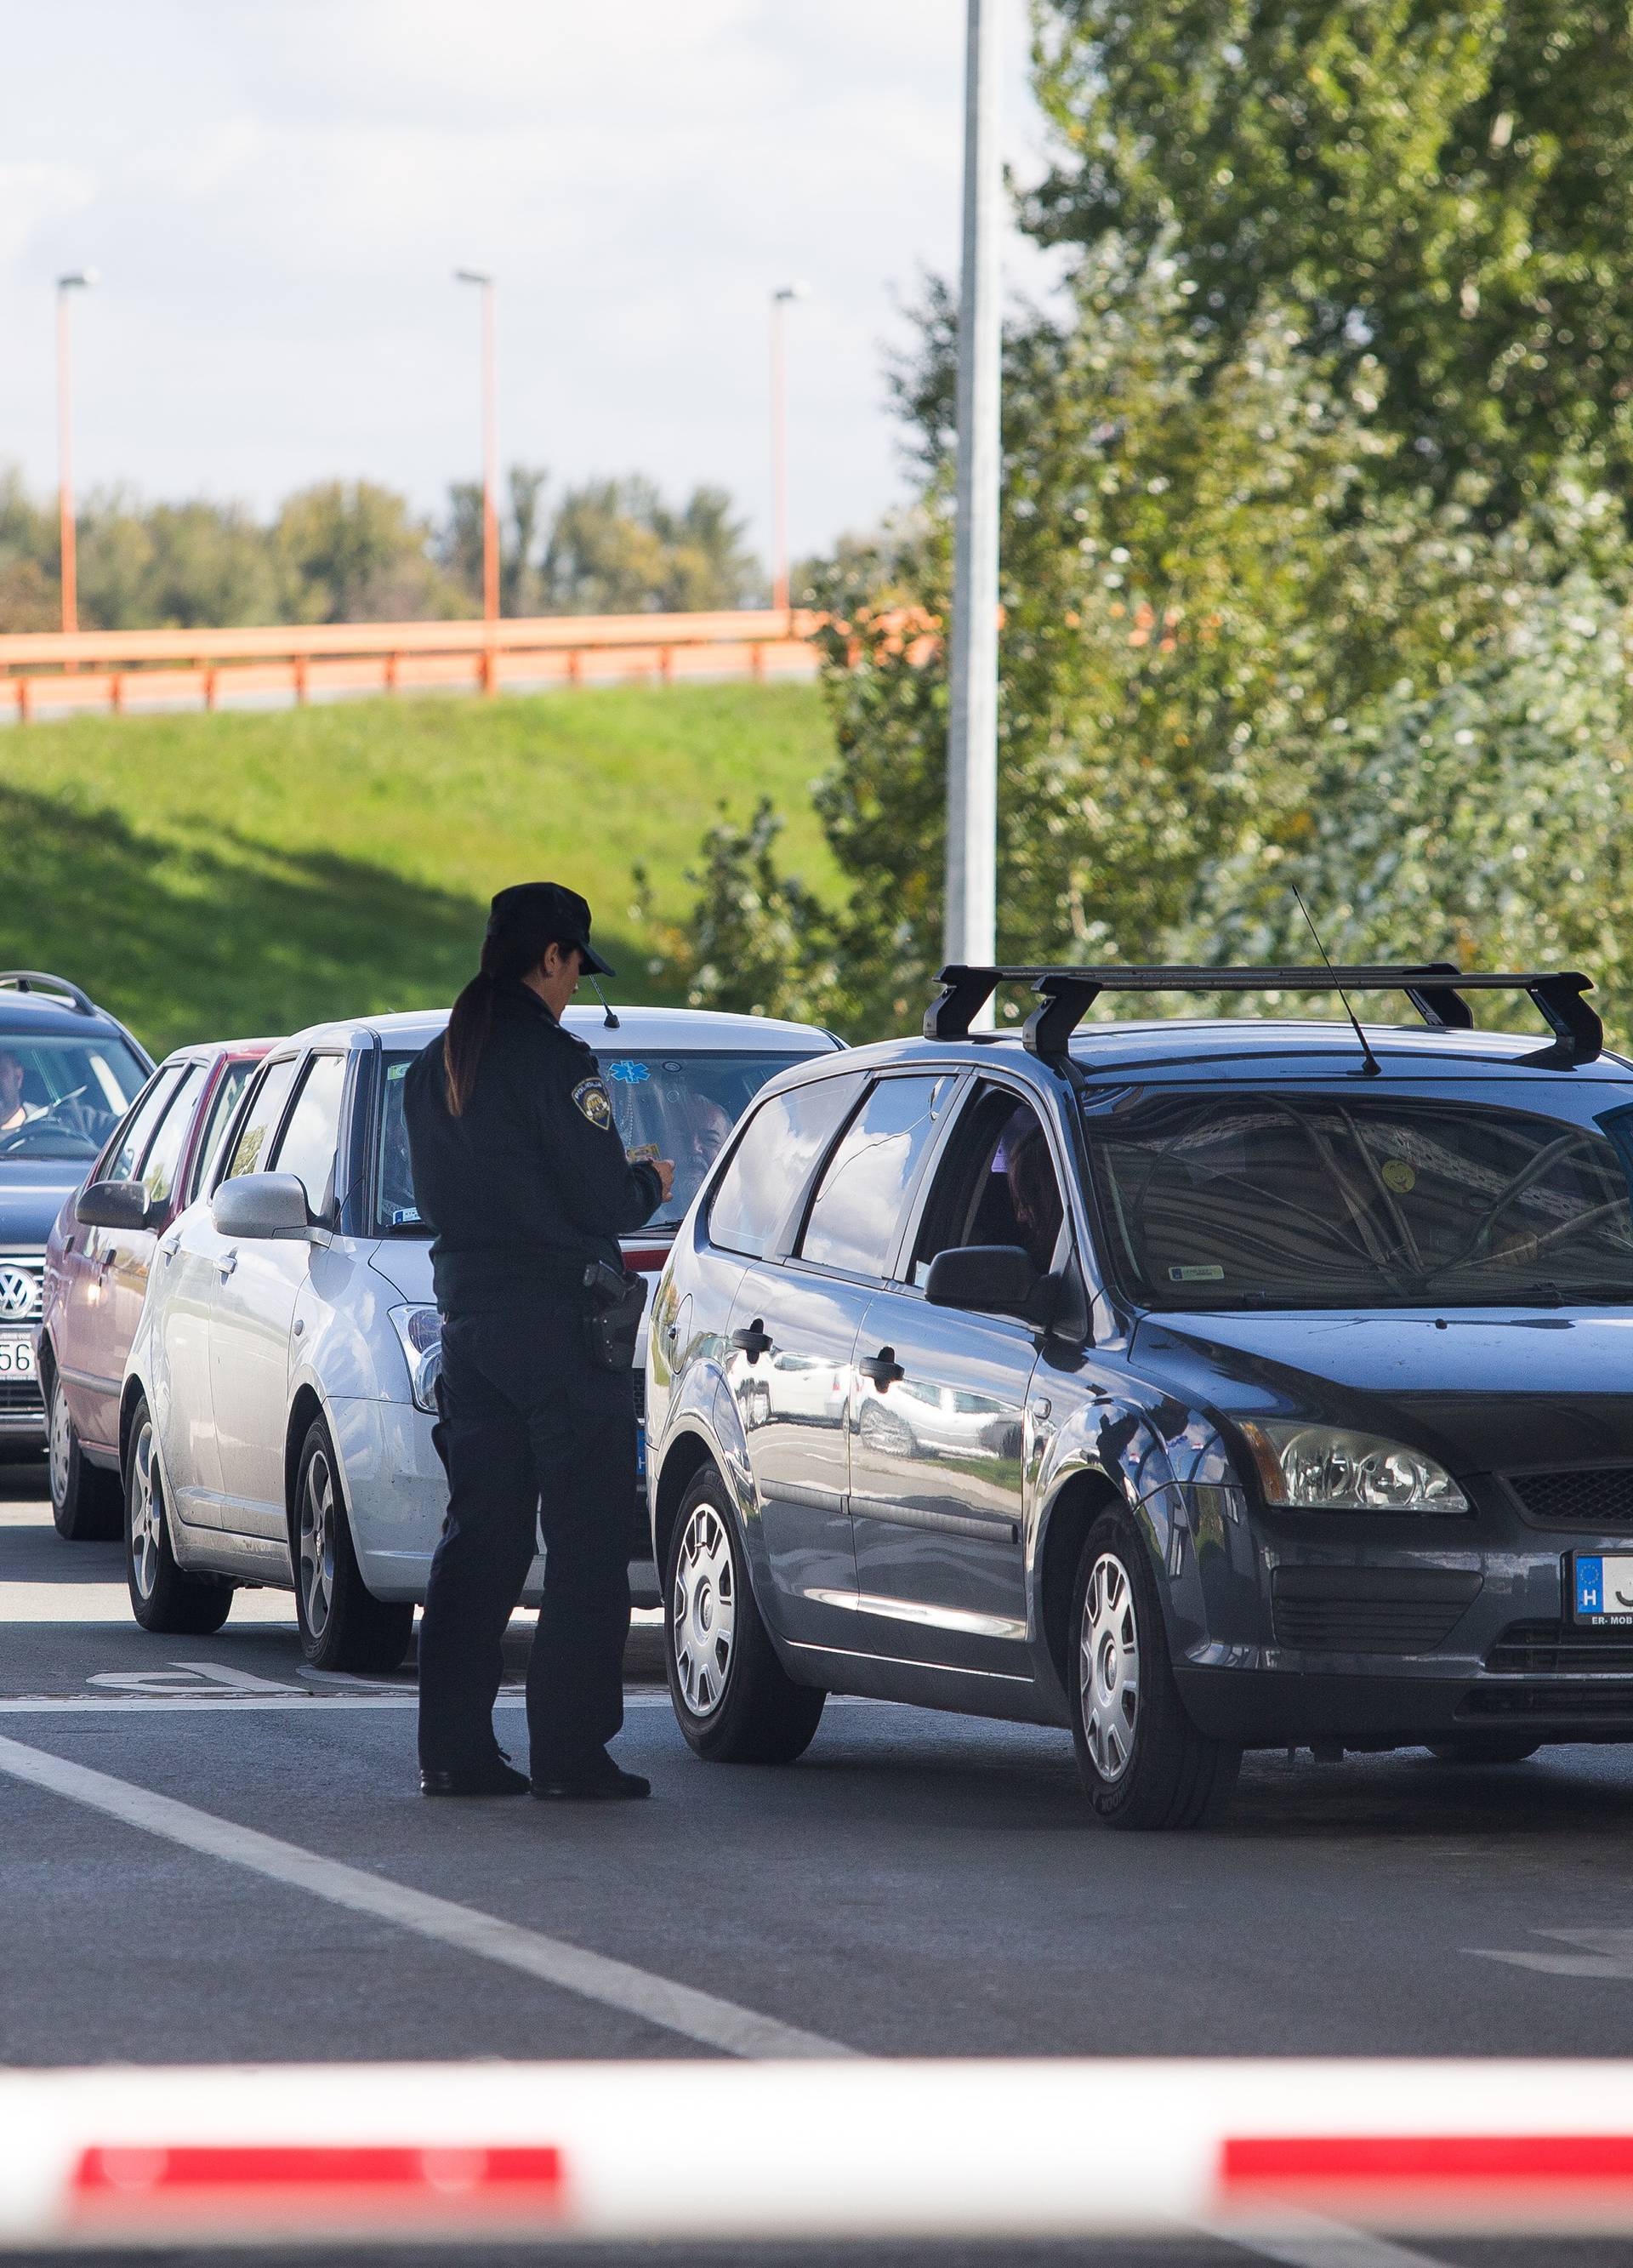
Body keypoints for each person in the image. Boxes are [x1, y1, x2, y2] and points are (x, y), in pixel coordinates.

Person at [403, 882, 674, 1801]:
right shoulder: (557, 1061)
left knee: (479, 1541)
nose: (572, 989)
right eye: (572, 968)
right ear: (552, 956)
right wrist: (647, 1182)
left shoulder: (435, 1064)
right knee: (589, 1540)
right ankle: (569, 1752)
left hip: (468, 1325)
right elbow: (599, 1200)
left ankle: (453, 1750)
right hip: (560, 1329)